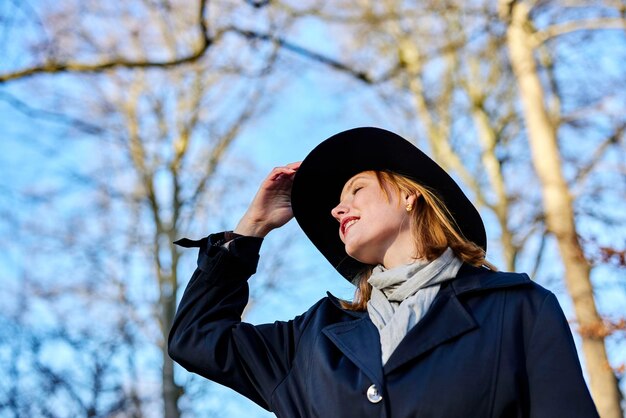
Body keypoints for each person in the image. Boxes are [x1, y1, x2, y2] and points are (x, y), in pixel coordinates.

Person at [168, 127, 599, 417]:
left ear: (410, 195)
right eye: (337, 202)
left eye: (356, 189)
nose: (338, 208)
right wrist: (253, 227)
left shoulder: (517, 307)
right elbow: (195, 338)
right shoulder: (310, 341)